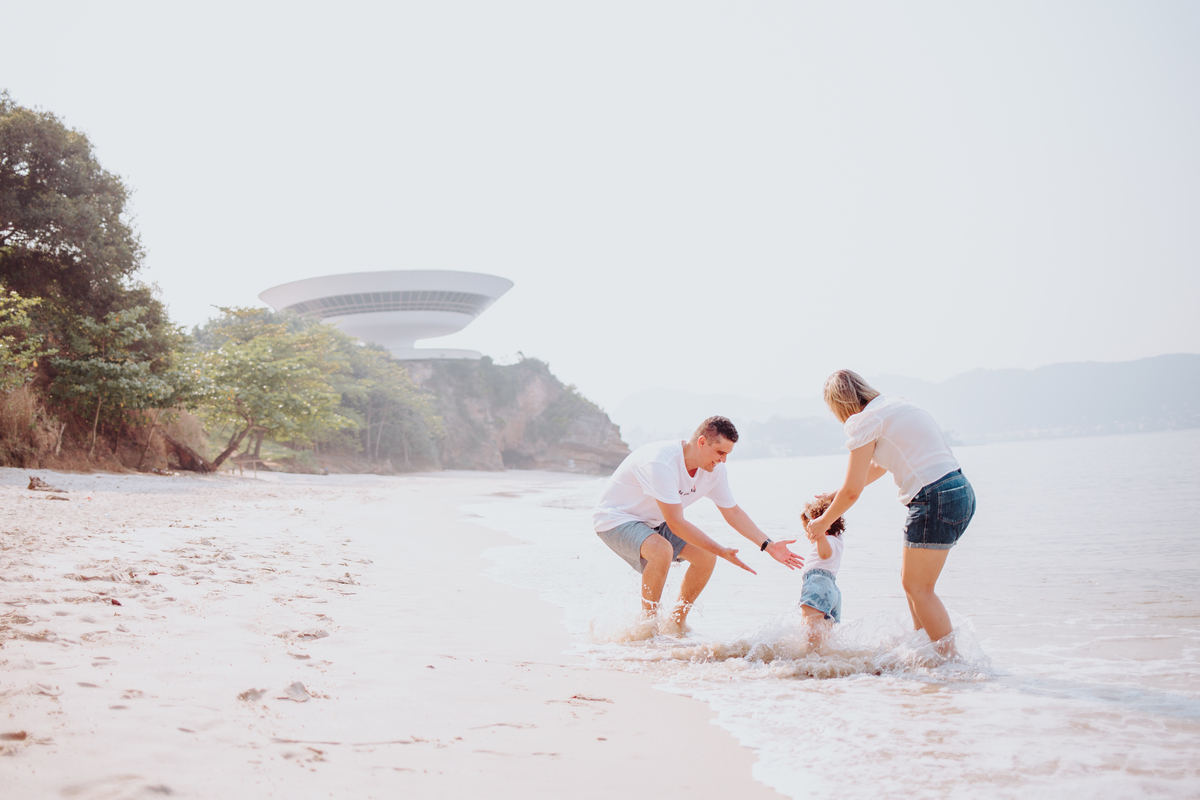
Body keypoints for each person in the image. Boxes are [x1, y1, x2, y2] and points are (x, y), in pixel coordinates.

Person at [803, 370, 976, 655]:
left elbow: (852, 492)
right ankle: (925, 652)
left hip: (933, 497)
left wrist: (823, 521)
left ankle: (951, 664)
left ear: (838, 405)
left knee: (919, 588)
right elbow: (878, 467)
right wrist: (835, 494)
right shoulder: (894, 405)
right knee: (913, 585)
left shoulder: (864, 421)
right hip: (959, 491)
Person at [593, 416, 803, 631]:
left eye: (727, 454)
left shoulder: (714, 471)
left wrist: (768, 544)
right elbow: (676, 523)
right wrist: (722, 550)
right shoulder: (661, 462)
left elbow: (733, 512)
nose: (723, 460)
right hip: (616, 518)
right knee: (661, 550)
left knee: (705, 557)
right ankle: (648, 627)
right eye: (720, 453)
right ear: (702, 442)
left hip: (656, 519)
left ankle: (676, 625)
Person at [798, 494, 845, 648]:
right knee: (824, 640)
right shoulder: (838, 538)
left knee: (809, 634)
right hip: (833, 591)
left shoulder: (824, 539)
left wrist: (818, 536)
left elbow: (825, 554)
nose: (809, 534)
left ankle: (809, 662)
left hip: (817, 584)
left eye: (809, 530)